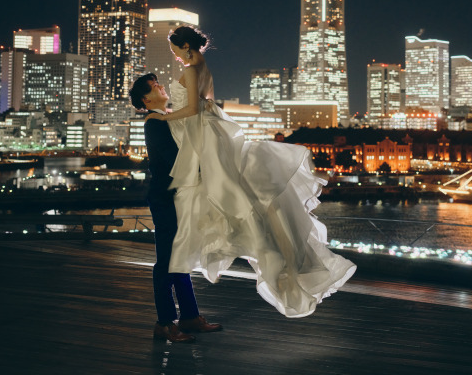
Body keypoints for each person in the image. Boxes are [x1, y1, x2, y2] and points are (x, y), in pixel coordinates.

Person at [141, 26, 356, 318]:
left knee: (211, 213)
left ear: (186, 46)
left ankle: (185, 318)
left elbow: (193, 109)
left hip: (196, 139)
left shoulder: (187, 77)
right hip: (193, 152)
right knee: (227, 203)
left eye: (174, 49)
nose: (173, 56)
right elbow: (204, 108)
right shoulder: (199, 71)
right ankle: (174, 319)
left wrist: (167, 118)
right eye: (155, 87)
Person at [129, 73, 222, 343]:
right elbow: (173, 160)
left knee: (179, 256)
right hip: (165, 198)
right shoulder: (154, 121)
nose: (161, 86)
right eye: (155, 86)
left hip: (175, 196)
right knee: (167, 261)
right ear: (147, 99)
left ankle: (190, 316)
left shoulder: (165, 117)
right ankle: (164, 323)